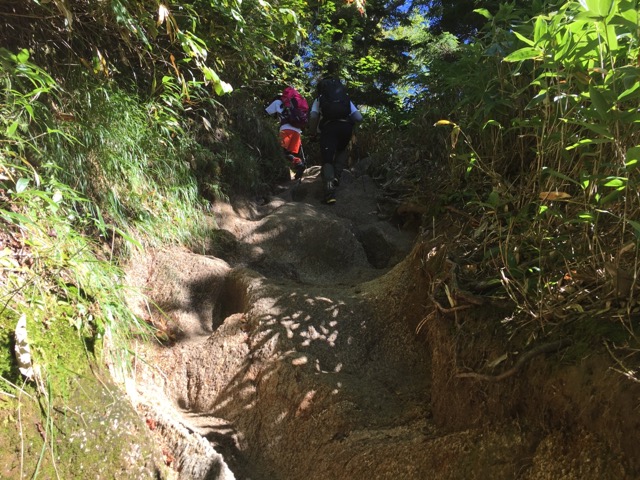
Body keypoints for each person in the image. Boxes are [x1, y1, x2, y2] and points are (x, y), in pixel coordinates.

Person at [307, 61, 363, 204]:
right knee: (341, 149)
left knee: (327, 160)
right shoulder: (345, 98)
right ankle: (337, 176)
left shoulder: (319, 99)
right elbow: (359, 117)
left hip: (329, 129)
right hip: (346, 128)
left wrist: (312, 133)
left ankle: (329, 193)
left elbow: (313, 116)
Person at [265, 87, 308, 180]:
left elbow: (265, 113)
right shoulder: (294, 105)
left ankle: (299, 163)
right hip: (297, 131)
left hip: (286, 130)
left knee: (282, 152)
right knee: (292, 153)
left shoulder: (277, 102)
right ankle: (299, 170)